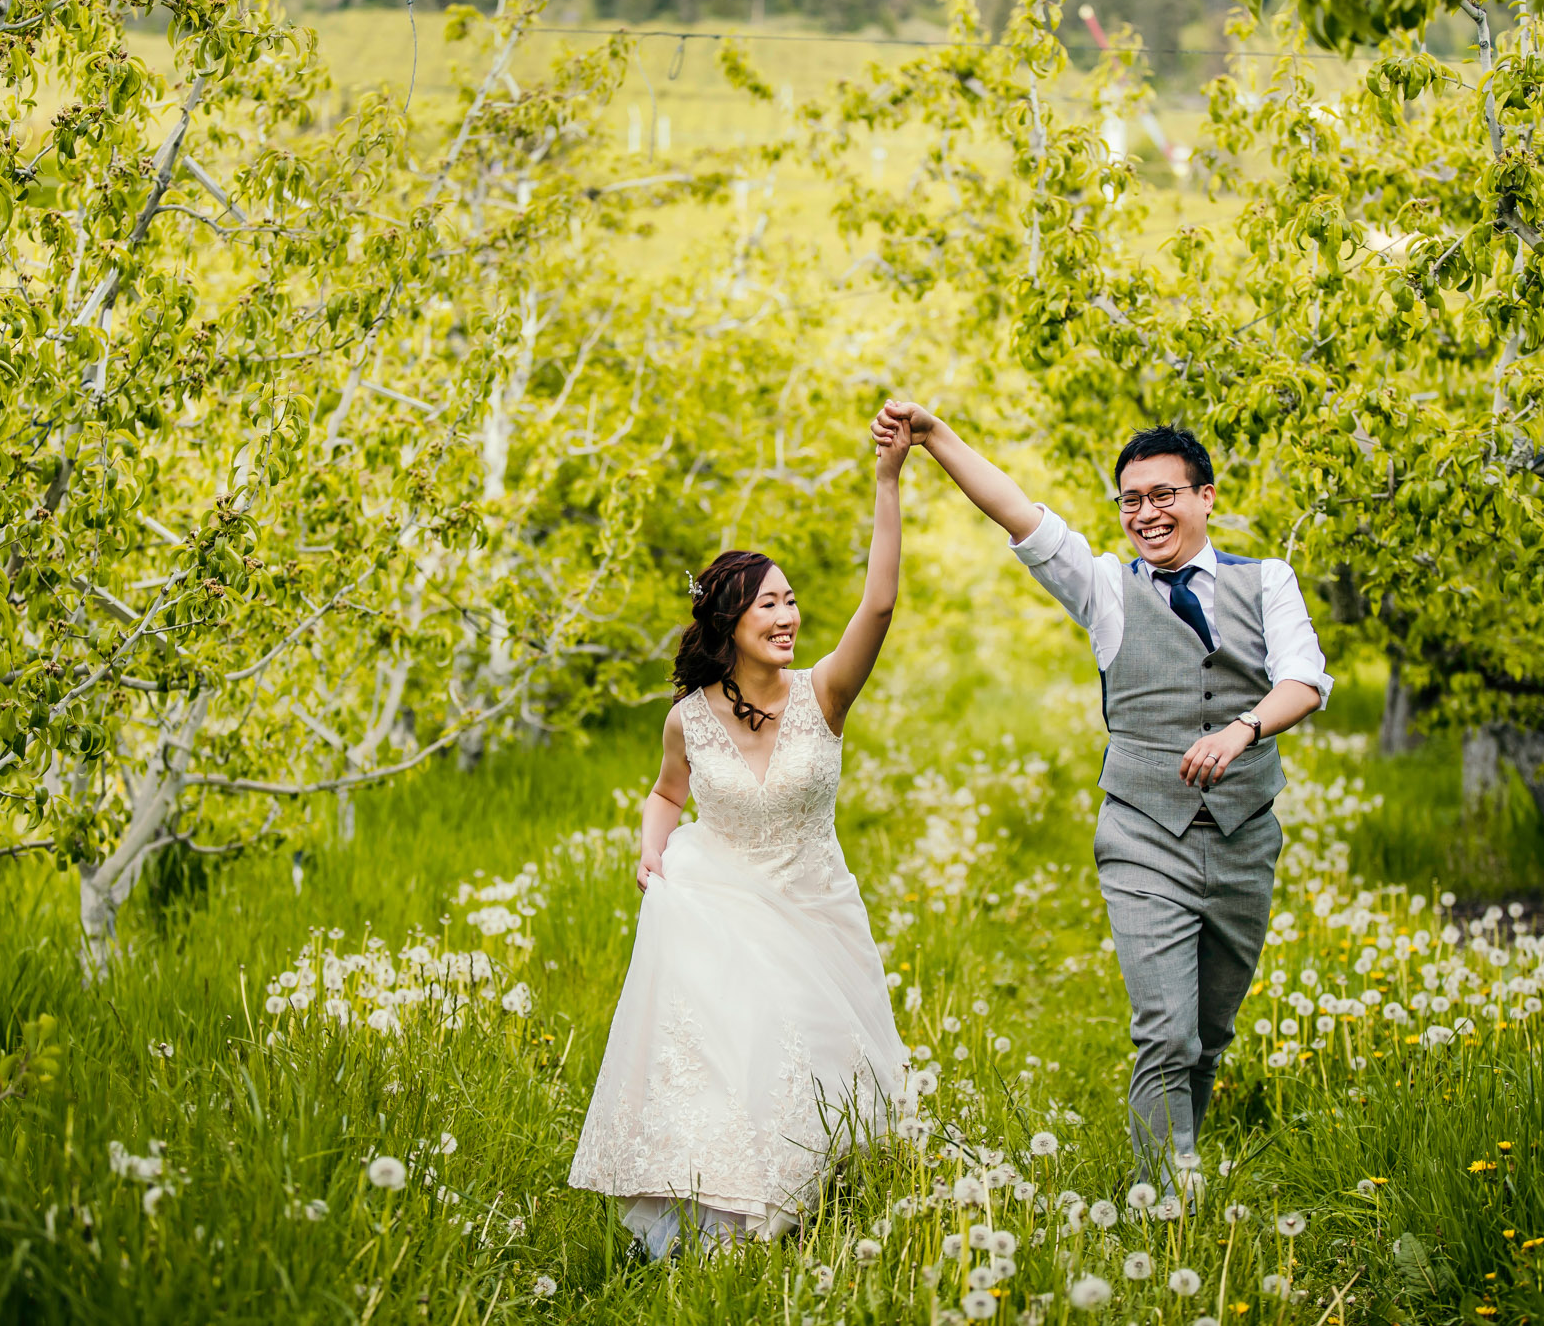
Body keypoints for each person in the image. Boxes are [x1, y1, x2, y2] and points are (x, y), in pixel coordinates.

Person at [868, 400, 1331, 1183]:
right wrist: (936, 436)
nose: (1146, 513)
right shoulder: (1105, 588)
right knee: (1166, 1032)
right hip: (1144, 836)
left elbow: (1305, 680)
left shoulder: (1269, 581)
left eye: (1164, 495)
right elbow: (1017, 512)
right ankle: (1167, 1195)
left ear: (1206, 497)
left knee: (1209, 1034)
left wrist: (1242, 729)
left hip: (1246, 836)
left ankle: (1182, 1157)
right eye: (1131, 500)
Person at [567, 422, 914, 1258]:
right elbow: (665, 794)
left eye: (792, 600)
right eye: (771, 603)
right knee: (730, 1051)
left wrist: (888, 480)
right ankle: (720, 1211)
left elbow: (879, 604)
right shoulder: (688, 718)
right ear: (731, 620)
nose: (790, 615)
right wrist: (652, 849)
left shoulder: (823, 692)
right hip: (716, 898)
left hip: (811, 902)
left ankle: (802, 1196)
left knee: (813, 1062)